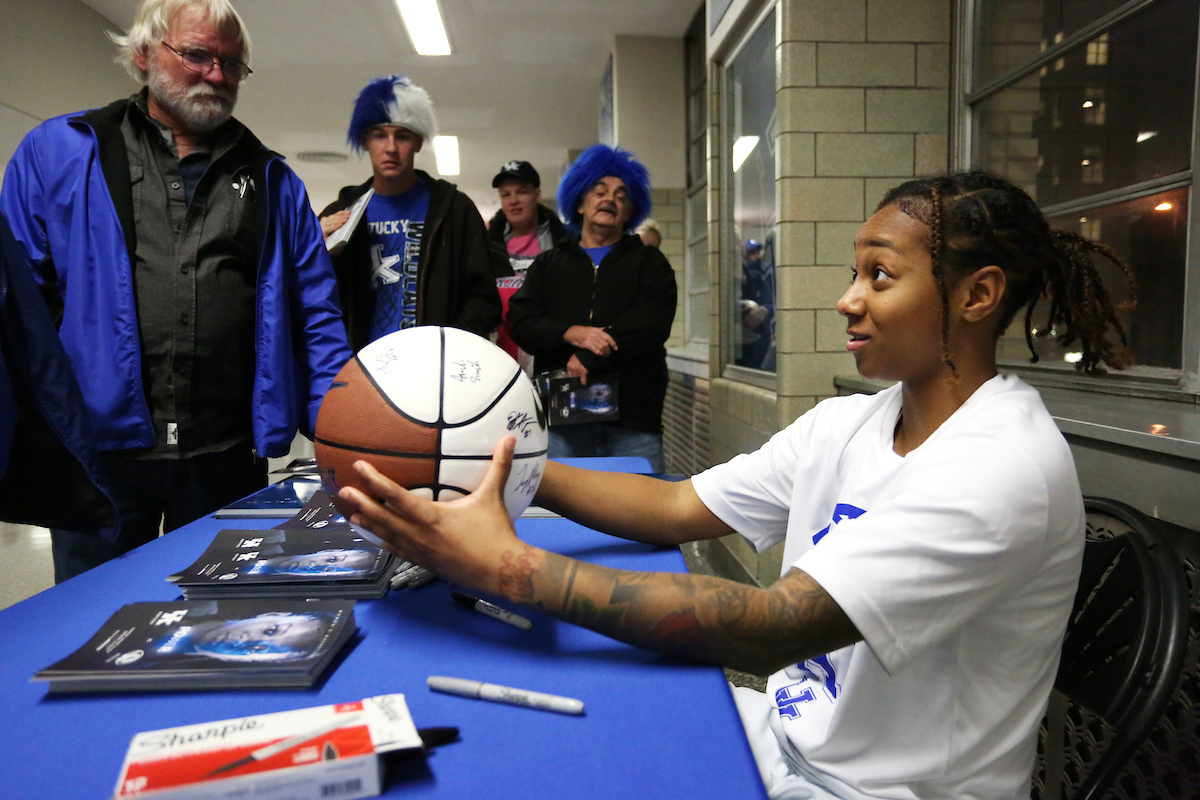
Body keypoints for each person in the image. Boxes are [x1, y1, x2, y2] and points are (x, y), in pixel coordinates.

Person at [336, 171, 1137, 799]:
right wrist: (500, 469)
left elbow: (769, 626)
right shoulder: (855, 421)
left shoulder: (1000, 467)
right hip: (785, 738)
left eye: (880, 277)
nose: (847, 300)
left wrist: (507, 569)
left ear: (977, 295)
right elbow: (681, 506)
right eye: (856, 273)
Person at [0, 0, 352, 583]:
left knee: (219, 621)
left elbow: (317, 319)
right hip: (101, 455)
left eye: (232, 64)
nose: (216, 74)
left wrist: (343, 437)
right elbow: (19, 311)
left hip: (227, 454)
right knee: (93, 622)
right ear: (143, 53)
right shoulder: (58, 152)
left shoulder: (274, 180)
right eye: (197, 55)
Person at [508, 144, 676, 472]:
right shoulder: (548, 264)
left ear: (630, 212)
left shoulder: (649, 262)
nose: (609, 199)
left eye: (620, 195)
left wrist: (590, 352)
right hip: (562, 423)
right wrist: (571, 334)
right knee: (562, 517)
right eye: (599, 191)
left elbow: (651, 324)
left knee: (639, 518)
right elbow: (522, 321)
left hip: (634, 423)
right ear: (580, 203)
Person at [319, 75, 501, 350]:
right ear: (365, 141)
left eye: (402, 136)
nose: (391, 148)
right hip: (359, 370)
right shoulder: (338, 215)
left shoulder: (454, 211)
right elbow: (311, 301)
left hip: (435, 369)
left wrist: (449, 351)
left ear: (417, 142)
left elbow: (483, 299)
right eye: (380, 135)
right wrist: (312, 250)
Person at [487, 160, 569, 372]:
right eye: (506, 194)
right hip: (501, 359)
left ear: (537, 194)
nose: (513, 201)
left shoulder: (564, 243)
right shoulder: (486, 246)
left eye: (521, 192)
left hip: (551, 355)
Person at [739, 237, 776, 369]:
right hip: (738, 347)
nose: (755, 258)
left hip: (760, 343)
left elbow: (774, 303)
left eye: (757, 253)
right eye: (751, 253)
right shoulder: (728, 282)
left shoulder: (759, 277)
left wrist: (763, 310)